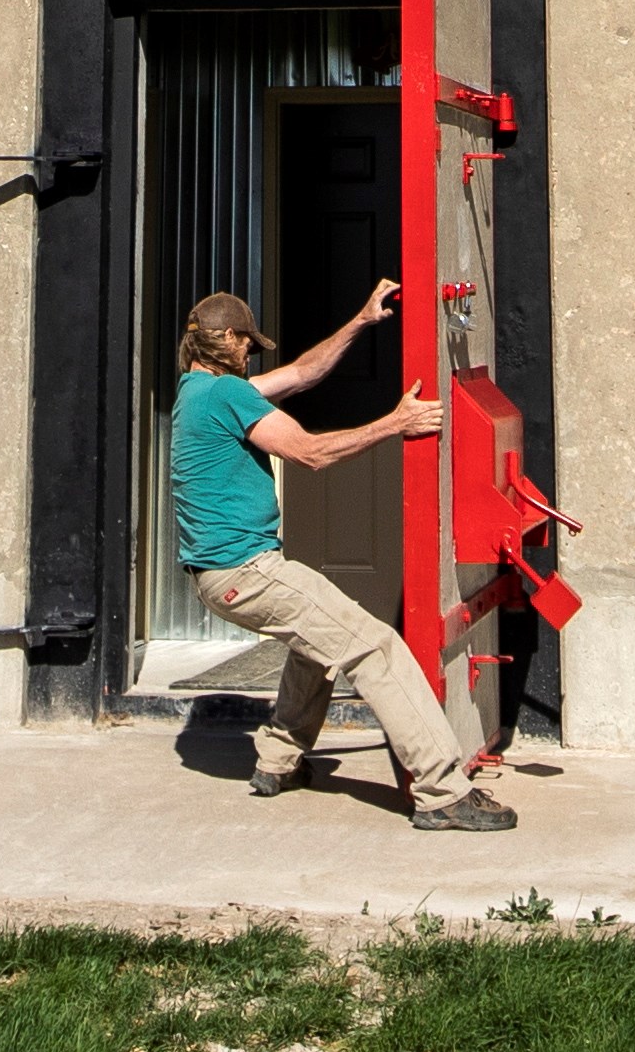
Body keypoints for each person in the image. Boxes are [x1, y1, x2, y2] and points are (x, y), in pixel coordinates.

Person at [169, 281, 515, 829]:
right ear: (230, 340)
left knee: (318, 642)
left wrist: (360, 320)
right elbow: (310, 452)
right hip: (246, 570)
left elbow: (303, 373)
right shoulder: (229, 394)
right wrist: (395, 424)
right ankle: (442, 791)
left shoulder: (197, 391)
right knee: (375, 646)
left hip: (222, 576)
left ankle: (278, 762)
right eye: (248, 345)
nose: (251, 356)